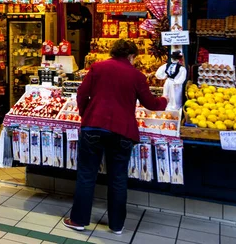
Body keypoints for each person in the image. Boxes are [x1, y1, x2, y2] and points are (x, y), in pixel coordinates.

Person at [63, 39, 167, 234]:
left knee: (86, 175)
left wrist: (86, 114)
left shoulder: (97, 67)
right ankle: (117, 225)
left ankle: (78, 220)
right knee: (118, 178)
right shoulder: (137, 75)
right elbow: (150, 103)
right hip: (122, 131)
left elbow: (81, 93)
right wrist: (165, 100)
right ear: (131, 56)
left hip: (93, 127)